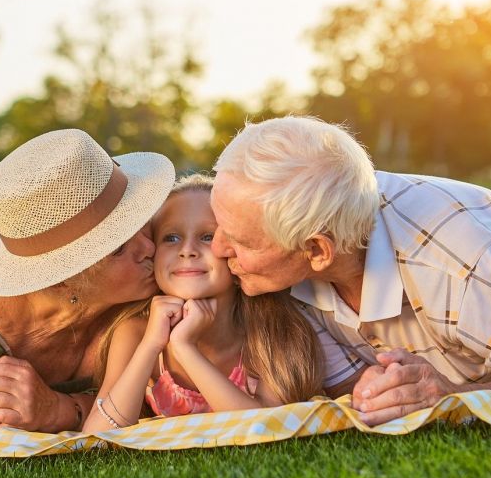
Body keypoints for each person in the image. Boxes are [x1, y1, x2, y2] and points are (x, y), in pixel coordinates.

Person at [210, 115, 491, 426]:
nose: (217, 249)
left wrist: (452, 398)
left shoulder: (463, 264)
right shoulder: (287, 268)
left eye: (240, 241)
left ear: (317, 251)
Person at [0, 128, 175, 438]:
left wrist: (58, 410)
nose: (150, 248)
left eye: (138, 220)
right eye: (118, 246)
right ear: (60, 279)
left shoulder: (160, 268)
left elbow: (158, 403)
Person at [82, 174, 325, 432]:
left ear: (236, 251)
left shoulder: (270, 327)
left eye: (207, 237)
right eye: (171, 238)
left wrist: (185, 348)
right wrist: (152, 345)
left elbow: (264, 427)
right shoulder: (136, 333)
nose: (187, 250)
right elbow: (97, 434)